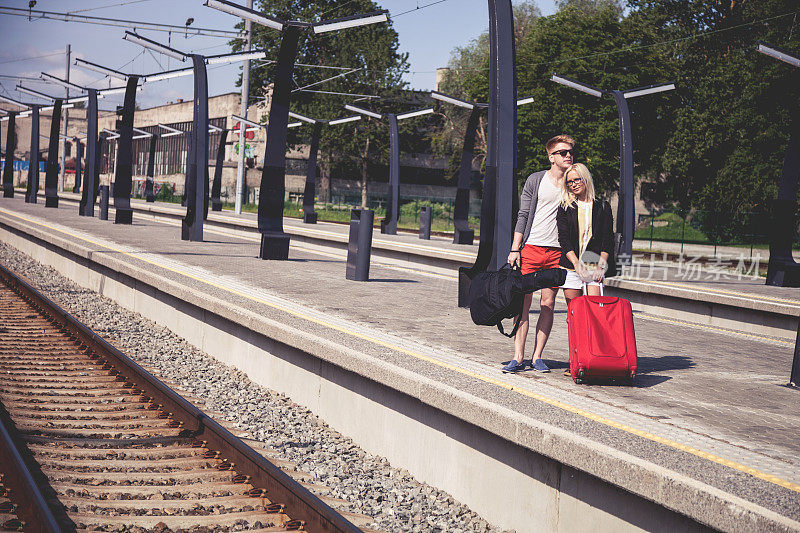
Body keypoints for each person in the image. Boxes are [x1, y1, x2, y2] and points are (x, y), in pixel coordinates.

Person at [505, 134, 575, 373]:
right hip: (532, 248)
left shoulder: (573, 181)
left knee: (548, 303)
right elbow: (523, 215)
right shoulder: (536, 180)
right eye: (563, 152)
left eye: (570, 152)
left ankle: (537, 357)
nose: (568, 156)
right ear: (551, 156)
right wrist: (515, 248)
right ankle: (518, 356)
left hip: (557, 253)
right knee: (523, 303)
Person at [556, 162, 614, 306]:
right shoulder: (565, 207)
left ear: (585, 178)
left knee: (595, 309)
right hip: (571, 266)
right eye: (570, 182)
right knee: (574, 312)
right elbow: (563, 239)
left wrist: (601, 266)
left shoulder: (602, 206)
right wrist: (576, 264)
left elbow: (607, 239)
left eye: (577, 180)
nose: (573, 184)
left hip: (594, 265)